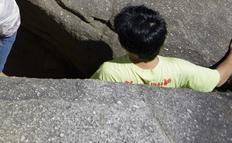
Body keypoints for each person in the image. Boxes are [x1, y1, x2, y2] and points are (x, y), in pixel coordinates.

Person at [90, 5, 232, 92]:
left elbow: (86, 92)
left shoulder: (109, 72)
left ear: (121, 42)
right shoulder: (179, 69)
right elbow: (219, 78)